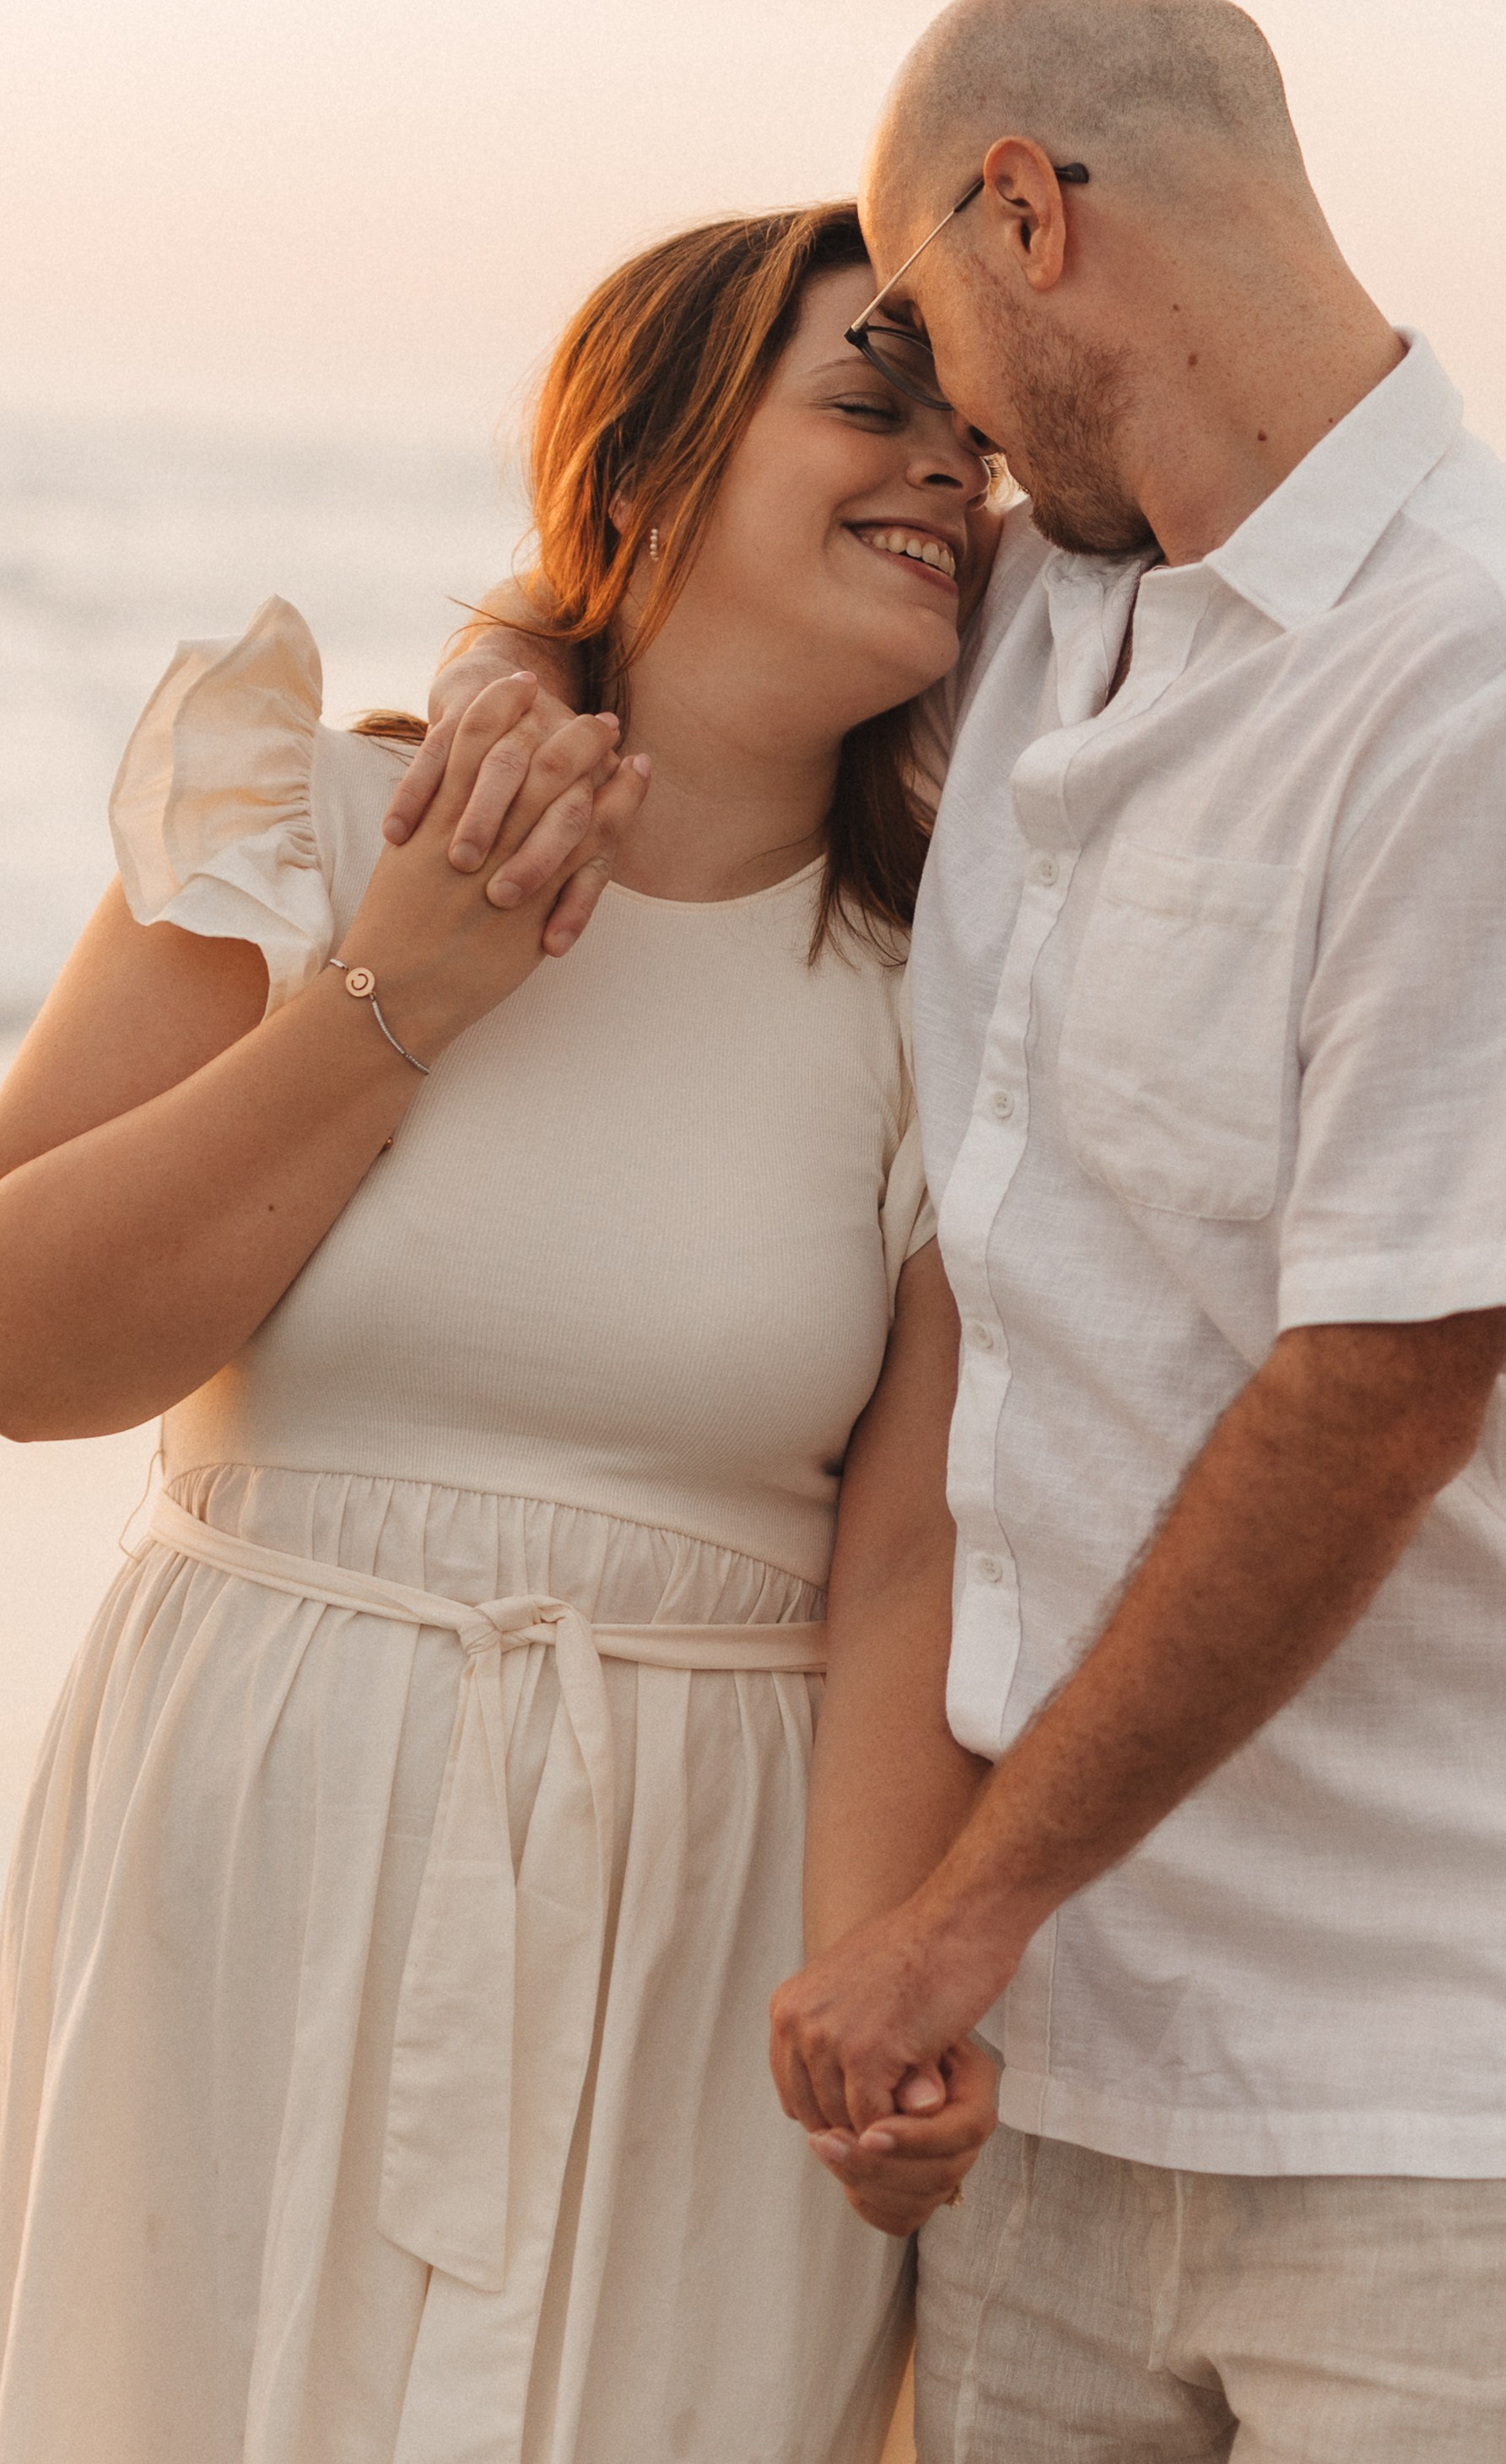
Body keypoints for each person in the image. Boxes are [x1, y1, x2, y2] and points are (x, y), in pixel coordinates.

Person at [431, 3, 1506, 2456]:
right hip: (1043, 2097)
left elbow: (1376, 1394)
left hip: (1443, 2119)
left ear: (1029, 211)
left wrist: (951, 1916)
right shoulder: (1058, 609)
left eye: (936, 330)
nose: (952, 428)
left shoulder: (1505, 677)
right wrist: (492, 674)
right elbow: (684, 614)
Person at [0, 203, 1000, 2464]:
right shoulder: (307, 821)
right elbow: (22, 1355)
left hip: (697, 1908)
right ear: (637, 469)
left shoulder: (941, 996)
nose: (947, 471)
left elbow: (905, 1563)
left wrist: (877, 1990)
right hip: (256, 1836)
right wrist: (398, 996)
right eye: (868, 398)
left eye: (977, 446)